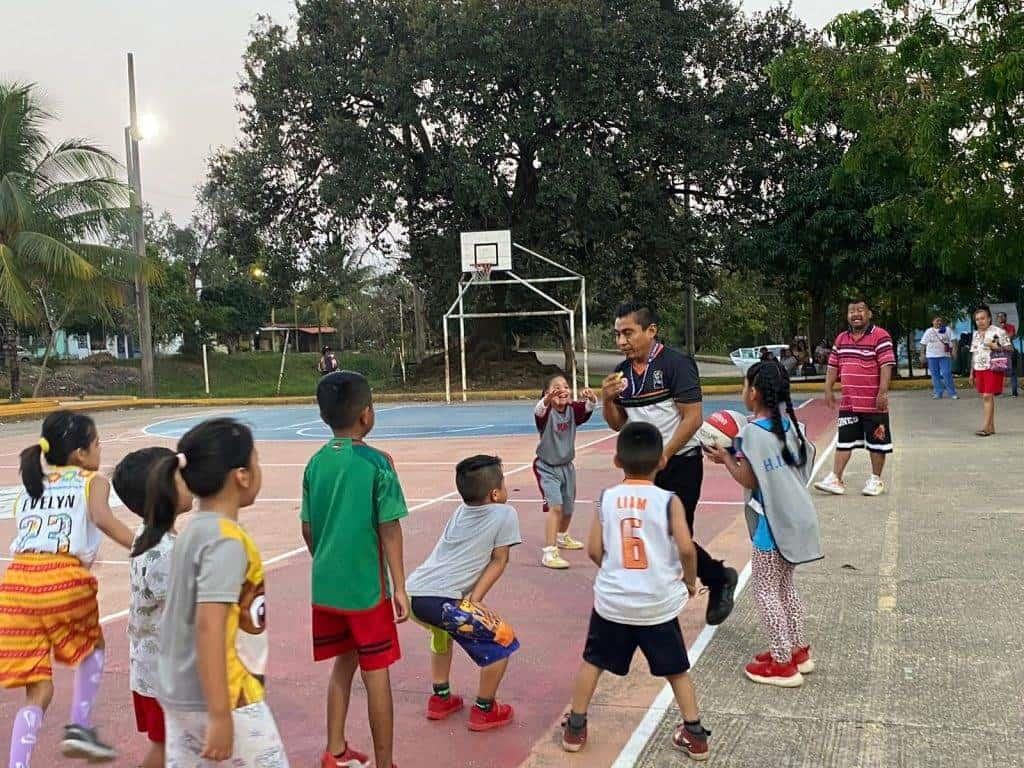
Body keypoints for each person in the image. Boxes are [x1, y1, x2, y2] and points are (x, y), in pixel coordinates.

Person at [560, 422, 709, 760]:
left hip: (613, 603)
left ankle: (576, 727)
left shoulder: (607, 498)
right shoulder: (668, 501)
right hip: (656, 604)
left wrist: (615, 573)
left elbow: (594, 550)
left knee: (593, 662)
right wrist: (689, 580)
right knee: (676, 670)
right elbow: (686, 549)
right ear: (662, 462)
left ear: (617, 461)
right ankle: (695, 733)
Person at [0, 411, 134, 766]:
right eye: (96, 443)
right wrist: (145, 544)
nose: (100, 449)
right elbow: (104, 520)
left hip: (15, 586)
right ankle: (79, 725)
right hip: (62, 578)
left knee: (38, 689)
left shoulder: (32, 484)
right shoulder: (93, 481)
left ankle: (17, 764)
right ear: (80, 454)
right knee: (95, 645)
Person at [151, 418, 287, 768]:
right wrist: (220, 714)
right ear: (241, 475)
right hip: (228, 696)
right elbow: (210, 626)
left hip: (179, 695)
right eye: (256, 460)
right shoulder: (226, 541)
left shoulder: (192, 531)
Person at [601, 301, 738, 626]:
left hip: (680, 463)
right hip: (644, 468)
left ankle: (714, 580)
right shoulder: (621, 374)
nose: (621, 341)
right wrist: (606, 399)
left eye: (628, 333)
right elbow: (617, 423)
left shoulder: (677, 364)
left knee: (674, 535)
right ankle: (711, 578)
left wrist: (664, 454)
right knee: (650, 533)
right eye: (618, 334)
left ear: (651, 330)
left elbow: (692, 418)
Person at [302, 371, 409, 768]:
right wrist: (399, 586)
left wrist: (326, 559)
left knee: (343, 663)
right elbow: (390, 528)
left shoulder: (314, 465)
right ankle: (385, 762)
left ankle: (335, 750)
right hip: (366, 590)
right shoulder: (378, 464)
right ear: (367, 415)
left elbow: (307, 527)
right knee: (376, 672)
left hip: (327, 587)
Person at [705, 361, 822, 688]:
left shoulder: (752, 434)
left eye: (745, 385)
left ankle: (783, 663)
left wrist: (725, 458)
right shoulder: (792, 426)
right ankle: (798, 651)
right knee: (785, 586)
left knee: (765, 590)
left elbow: (748, 477)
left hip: (774, 524)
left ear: (753, 393)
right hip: (800, 516)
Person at [405, 455, 521, 731]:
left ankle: (440, 698)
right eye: (503, 484)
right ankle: (484, 710)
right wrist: (475, 601)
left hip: (414, 594)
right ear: (495, 493)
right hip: (443, 601)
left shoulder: (460, 511)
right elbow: (499, 560)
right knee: (502, 641)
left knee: (441, 634)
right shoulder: (506, 513)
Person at [113, 447, 194, 768]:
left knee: (169, 748)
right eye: (180, 476)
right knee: (172, 750)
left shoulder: (147, 538)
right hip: (167, 677)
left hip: (152, 670)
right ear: (164, 491)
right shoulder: (166, 553)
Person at [815, 299, 896, 497]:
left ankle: (876, 480)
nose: (855, 314)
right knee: (844, 441)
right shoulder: (841, 339)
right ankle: (836, 478)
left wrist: (882, 392)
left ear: (869, 314)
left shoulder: (880, 336)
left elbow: (886, 365)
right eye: (851, 311)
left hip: (873, 404)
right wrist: (827, 388)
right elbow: (833, 365)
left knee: (877, 443)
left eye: (860, 310)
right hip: (849, 403)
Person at [533, 373, 597, 569]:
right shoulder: (545, 415)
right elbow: (539, 409)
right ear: (547, 394)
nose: (562, 390)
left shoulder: (572, 410)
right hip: (546, 467)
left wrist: (592, 399)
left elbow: (587, 409)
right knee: (556, 508)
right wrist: (546, 399)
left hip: (567, 467)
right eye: (556, 387)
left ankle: (561, 536)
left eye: (566, 386)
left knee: (568, 508)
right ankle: (550, 552)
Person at [969, 306, 1013, 437]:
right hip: (979, 368)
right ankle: (991, 427)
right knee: (987, 397)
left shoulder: (998, 331)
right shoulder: (976, 334)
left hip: (993, 368)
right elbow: (974, 354)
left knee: (987, 396)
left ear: (989, 319)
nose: (980, 321)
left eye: (982, 318)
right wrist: (972, 373)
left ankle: (986, 428)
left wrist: (993, 345)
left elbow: (1009, 349)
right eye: (977, 319)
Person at [919, 316, 958, 400]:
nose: (939, 322)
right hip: (931, 356)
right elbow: (923, 344)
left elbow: (954, 340)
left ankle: (952, 393)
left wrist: (954, 351)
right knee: (935, 375)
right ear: (933, 322)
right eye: (937, 321)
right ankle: (938, 392)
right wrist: (922, 355)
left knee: (946, 373)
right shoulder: (929, 331)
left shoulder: (947, 329)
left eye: (940, 321)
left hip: (945, 356)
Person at [995, 312, 1018, 398]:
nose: (1000, 318)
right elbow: (995, 341)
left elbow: (1010, 337)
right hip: (1000, 352)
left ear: (1005, 318)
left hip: (1010, 352)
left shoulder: (1011, 326)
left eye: (1002, 316)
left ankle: (1014, 392)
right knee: (998, 372)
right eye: (998, 316)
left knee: (1013, 372)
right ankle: (998, 391)